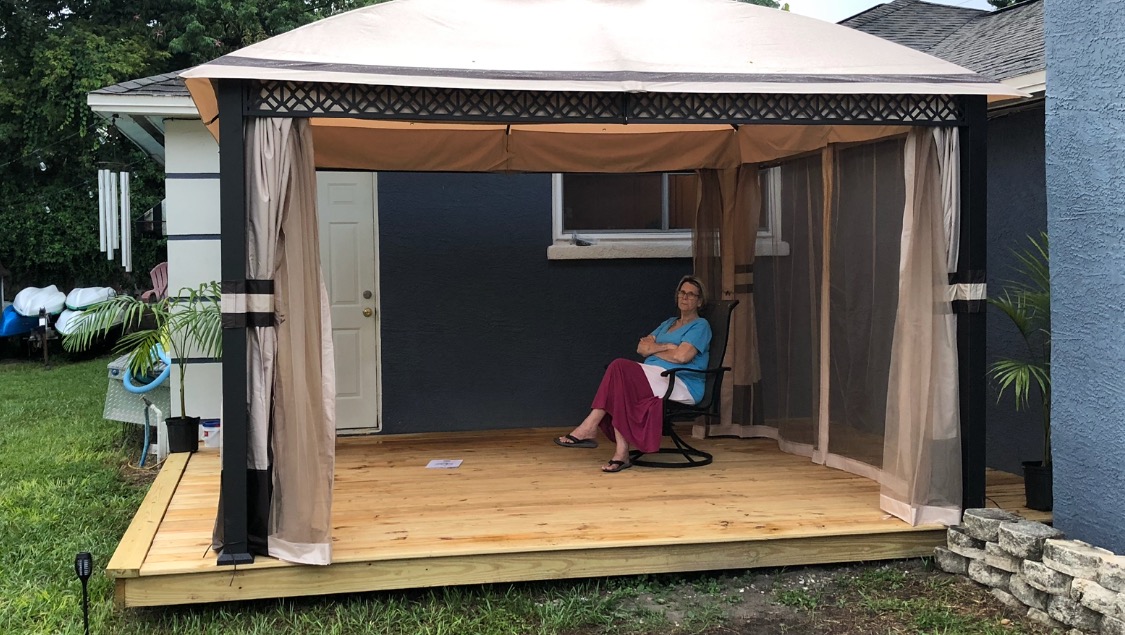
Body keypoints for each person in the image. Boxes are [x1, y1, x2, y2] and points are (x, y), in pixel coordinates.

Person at [554, 275, 712, 472]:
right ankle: (619, 452)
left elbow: (681, 357)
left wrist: (654, 348)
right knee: (619, 380)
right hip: (655, 376)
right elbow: (641, 348)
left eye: (691, 294)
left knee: (618, 367)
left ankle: (590, 427)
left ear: (700, 301)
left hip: (679, 381)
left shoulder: (700, 326)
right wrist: (666, 347)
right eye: (682, 292)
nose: (685, 297)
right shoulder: (669, 323)